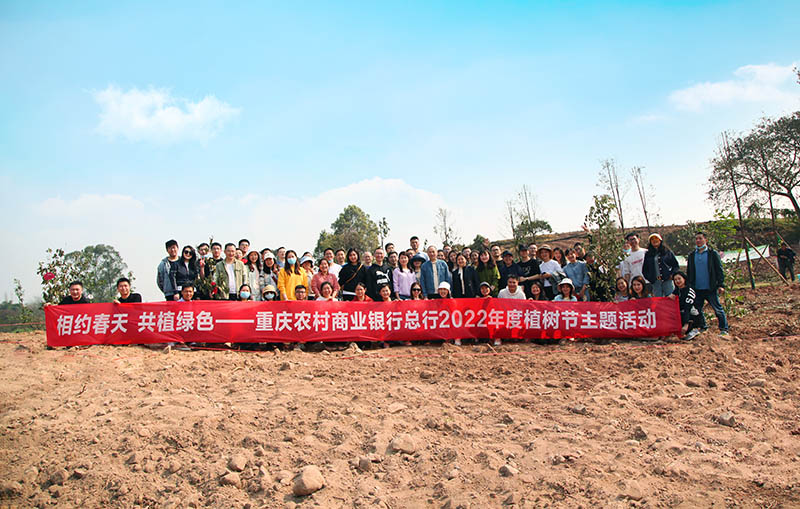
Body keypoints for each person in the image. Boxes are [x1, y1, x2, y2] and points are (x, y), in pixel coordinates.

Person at [687, 231, 728, 334]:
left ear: (706, 240)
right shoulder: (692, 255)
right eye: (696, 239)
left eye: (700, 238)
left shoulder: (712, 254)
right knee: (697, 310)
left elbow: (719, 270)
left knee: (717, 309)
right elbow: (689, 272)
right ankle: (703, 327)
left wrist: (721, 285)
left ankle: (724, 329)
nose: (698, 240)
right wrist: (690, 286)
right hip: (697, 288)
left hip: (710, 288)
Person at [672, 271, 703, 340]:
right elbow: (669, 298)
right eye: (675, 280)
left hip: (692, 315)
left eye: (679, 279)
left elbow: (687, 308)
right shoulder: (678, 290)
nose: (677, 281)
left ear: (684, 279)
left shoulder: (689, 291)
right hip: (682, 313)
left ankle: (695, 328)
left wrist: (686, 325)